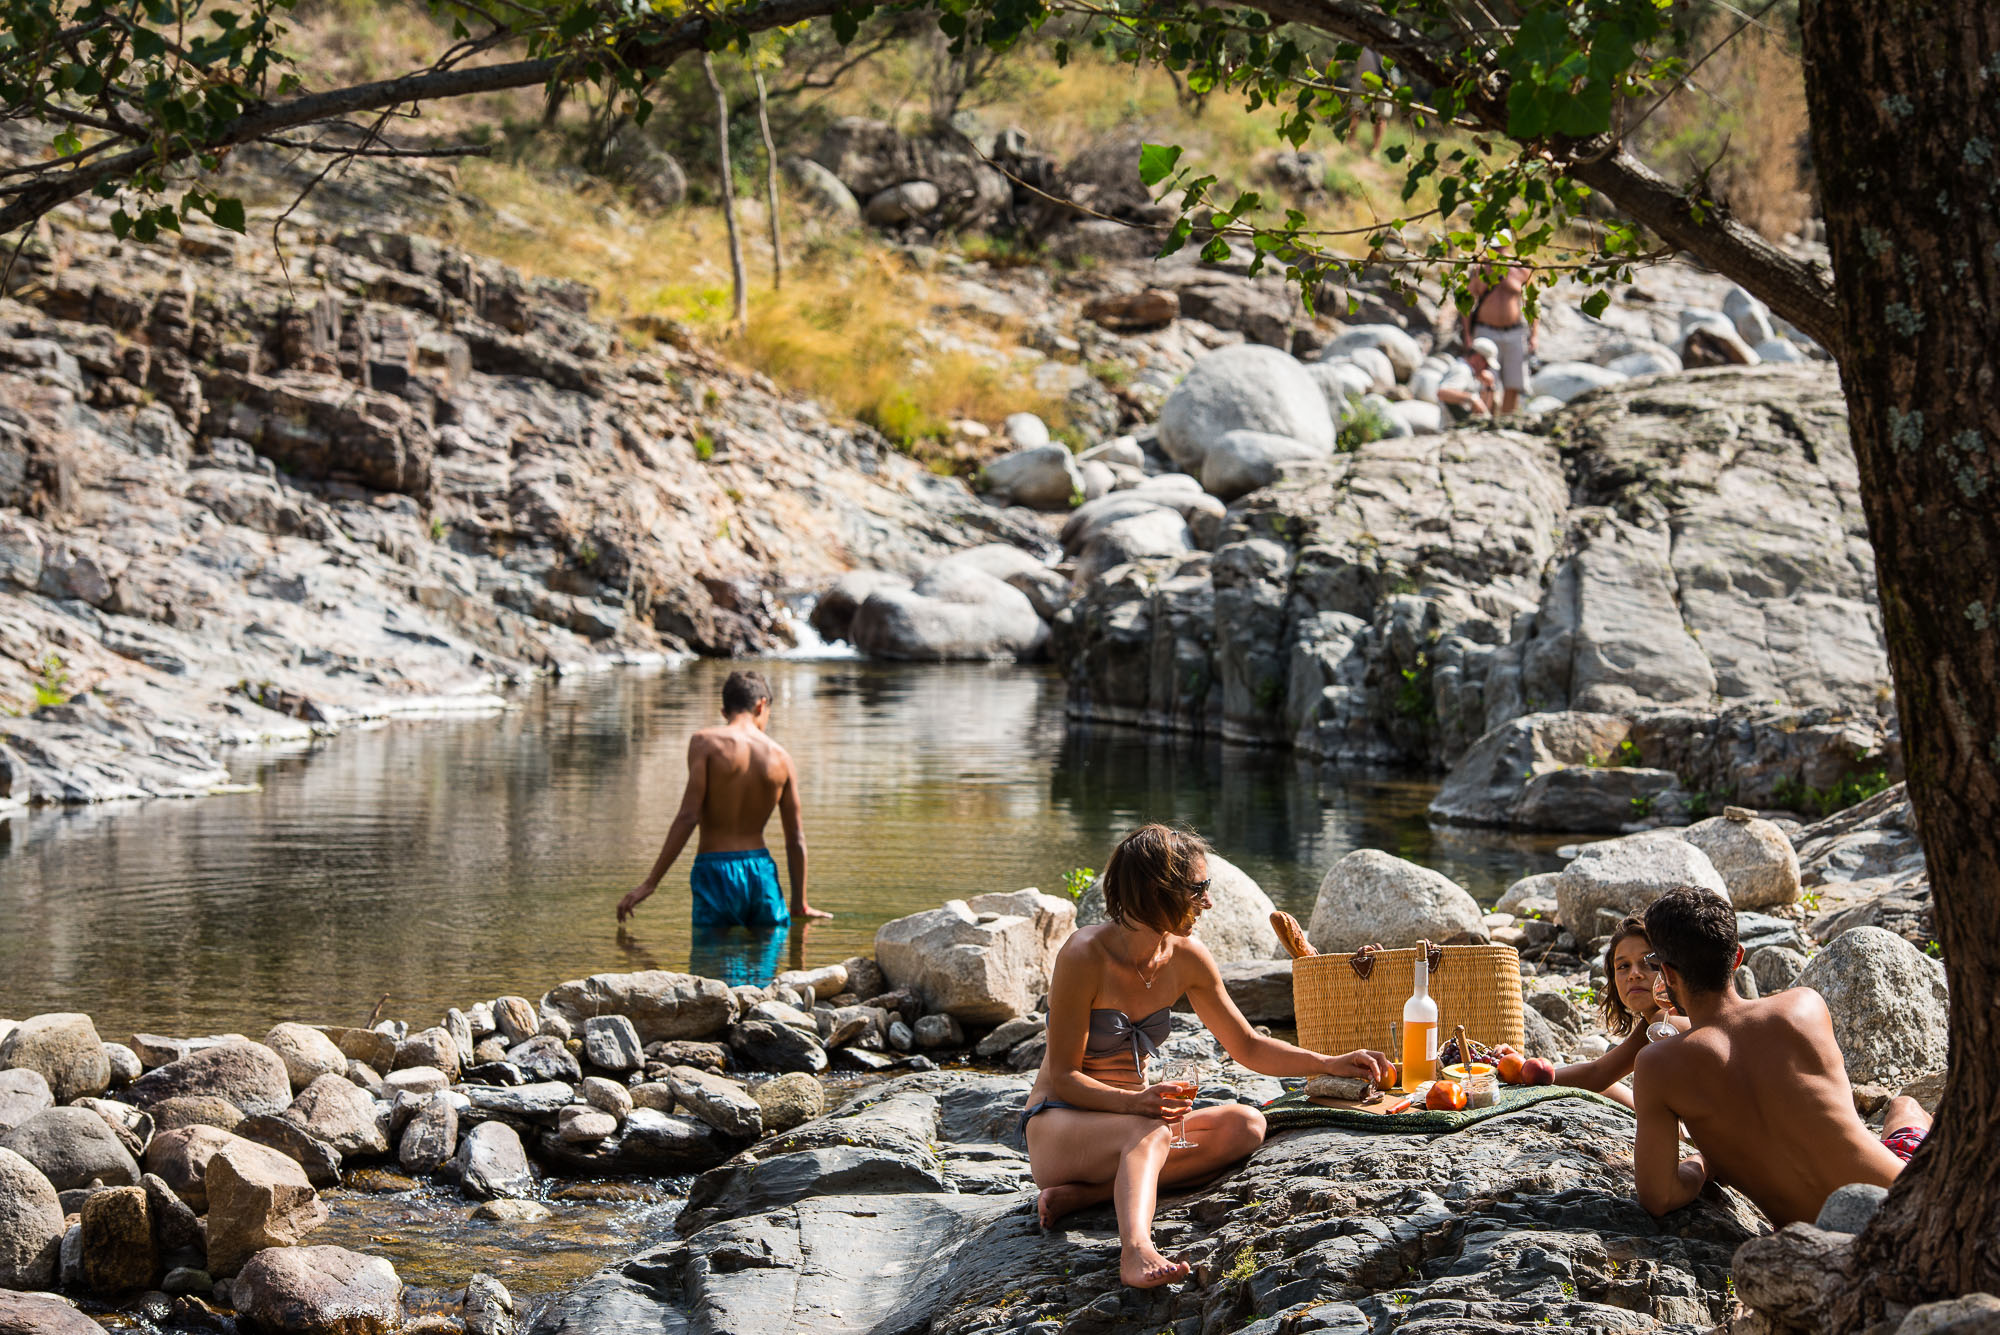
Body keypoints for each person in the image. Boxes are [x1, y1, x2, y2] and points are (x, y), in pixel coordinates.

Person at [1023, 824, 1391, 1289]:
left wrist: (1329, 1062)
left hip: (1134, 1132)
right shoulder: (1084, 955)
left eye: (1207, 889)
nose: (1208, 903)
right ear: (1158, 891)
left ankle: (1090, 1195)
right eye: (1198, 890)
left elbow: (1249, 1046)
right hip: (1061, 1126)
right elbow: (1064, 1077)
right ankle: (1135, 1251)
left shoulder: (1187, 958)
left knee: (1248, 1125)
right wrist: (1138, 1103)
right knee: (1150, 1132)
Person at [1632, 887, 1932, 1226]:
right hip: (1911, 1203)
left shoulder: (1658, 1065)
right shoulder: (1803, 1006)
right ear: (1737, 958)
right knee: (1905, 1106)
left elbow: (1659, 1197)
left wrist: (1702, 1161)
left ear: (1668, 974)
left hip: (1823, 1240)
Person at [616, 669, 831, 937]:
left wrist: (650, 883)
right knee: (765, 972)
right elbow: (796, 838)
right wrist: (799, 903)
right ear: (761, 705)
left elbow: (688, 817)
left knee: (711, 969)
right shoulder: (782, 757)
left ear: (724, 711)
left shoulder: (705, 743)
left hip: (714, 869)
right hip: (761, 873)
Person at [1549, 916, 1686, 1109]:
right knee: (1603, 1088)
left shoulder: (1667, 1022)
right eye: (1623, 966)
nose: (1634, 974)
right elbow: (1598, 1073)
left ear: (1669, 969)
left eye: (1648, 963)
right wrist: (1527, 1071)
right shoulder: (1652, 1023)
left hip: (1698, 1134)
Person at [1462, 256, 1537, 414]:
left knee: (1513, 383)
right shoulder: (1479, 270)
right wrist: (1467, 334)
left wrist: (1534, 335)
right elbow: (1465, 302)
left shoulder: (1521, 270)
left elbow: (1532, 302)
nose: (1497, 251)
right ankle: (1483, 420)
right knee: (1486, 379)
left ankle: (1506, 420)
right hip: (1486, 331)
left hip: (1515, 332)